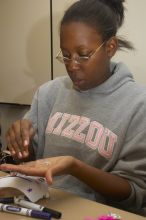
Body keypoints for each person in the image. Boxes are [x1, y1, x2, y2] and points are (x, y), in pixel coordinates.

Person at [0, 0, 146, 216]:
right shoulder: (49, 93)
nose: (71, 65)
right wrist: (23, 145)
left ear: (110, 47)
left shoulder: (138, 104)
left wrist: (74, 167)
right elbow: (30, 162)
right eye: (65, 55)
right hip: (42, 204)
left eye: (83, 54)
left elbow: (134, 192)